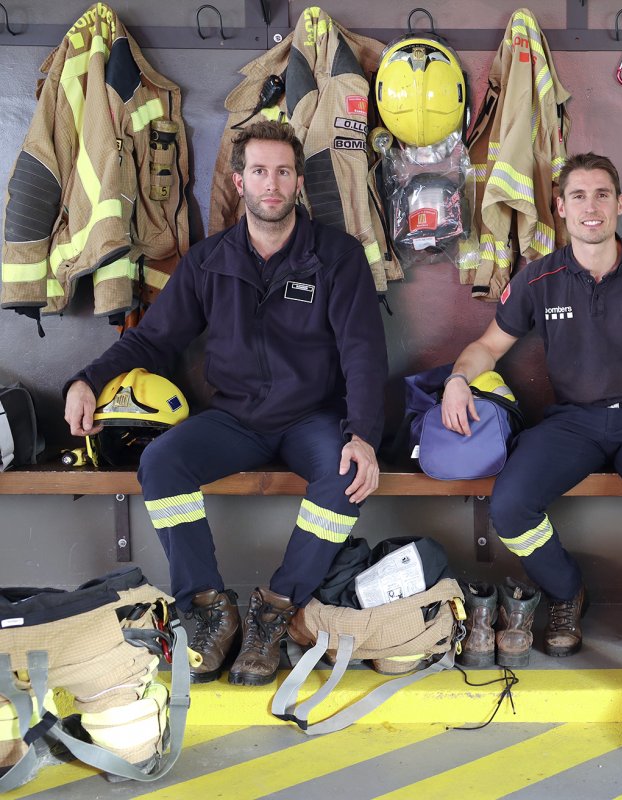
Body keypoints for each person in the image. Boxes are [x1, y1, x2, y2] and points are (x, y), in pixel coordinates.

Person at [63, 120, 386, 687]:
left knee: (343, 478)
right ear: (239, 181)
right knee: (162, 461)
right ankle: (210, 608)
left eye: (283, 172)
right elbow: (151, 340)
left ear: (297, 183)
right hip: (235, 418)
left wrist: (362, 434)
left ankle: (275, 610)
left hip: (311, 418)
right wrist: (87, 380)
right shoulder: (210, 260)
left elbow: (363, 353)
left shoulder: (337, 257)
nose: (272, 183)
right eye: (259, 171)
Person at [441, 153, 622, 761]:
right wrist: (458, 378)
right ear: (560, 208)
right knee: (508, 505)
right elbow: (488, 345)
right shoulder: (539, 277)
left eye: (602, 194)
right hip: (574, 423)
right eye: (579, 196)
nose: (591, 206)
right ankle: (566, 591)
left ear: (620, 204)